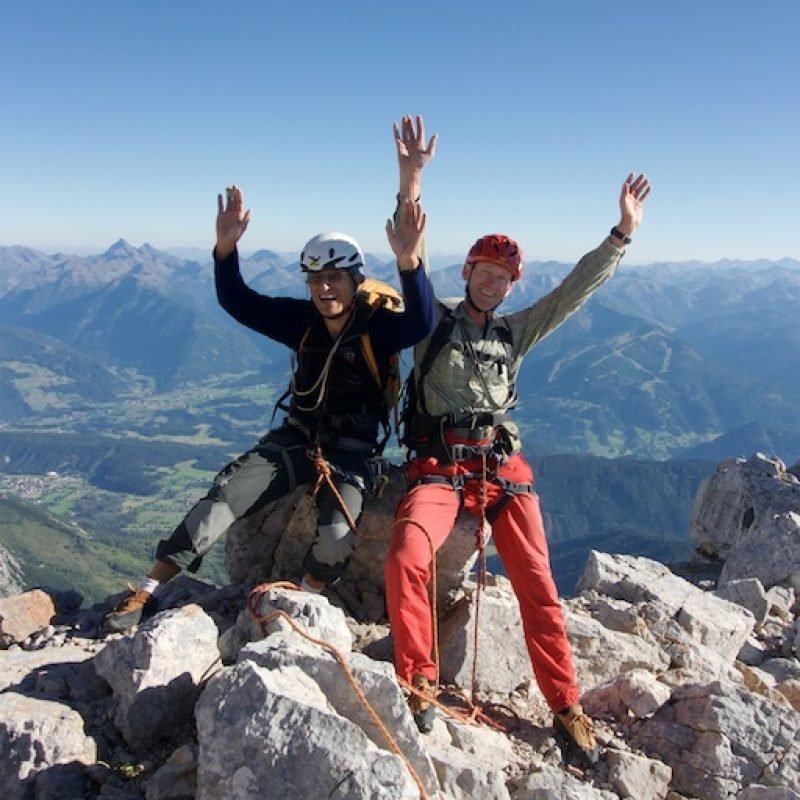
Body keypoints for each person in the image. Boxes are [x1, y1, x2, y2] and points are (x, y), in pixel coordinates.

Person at [384, 116, 651, 763]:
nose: (492, 282)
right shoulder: (433, 322)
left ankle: (565, 706)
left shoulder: (515, 333)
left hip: (502, 472)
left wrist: (620, 235)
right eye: (484, 270)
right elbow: (411, 269)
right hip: (440, 469)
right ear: (470, 270)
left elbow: (572, 294)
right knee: (404, 556)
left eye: (503, 276)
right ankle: (417, 681)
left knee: (538, 586)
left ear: (509, 286)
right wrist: (410, 182)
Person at [104, 184, 436, 633]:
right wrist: (226, 249)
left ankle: (297, 600)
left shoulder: (377, 329)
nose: (323, 287)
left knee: (338, 540)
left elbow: (421, 321)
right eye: (315, 278)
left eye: (334, 277)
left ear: (355, 281)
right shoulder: (299, 320)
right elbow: (237, 301)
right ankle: (147, 590)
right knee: (224, 497)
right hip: (296, 438)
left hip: (352, 453)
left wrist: (409, 264)